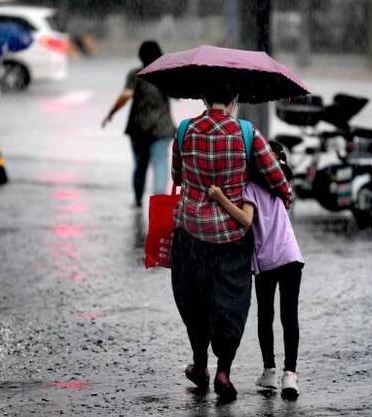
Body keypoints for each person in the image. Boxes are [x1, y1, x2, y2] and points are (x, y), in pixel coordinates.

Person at [170, 84, 292, 402]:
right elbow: (274, 175)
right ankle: (224, 369)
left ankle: (200, 364)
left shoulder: (184, 130)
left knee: (193, 300)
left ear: (203, 98)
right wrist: (286, 197)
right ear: (235, 100)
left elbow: (178, 175)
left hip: (191, 232)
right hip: (232, 236)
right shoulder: (247, 133)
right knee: (231, 301)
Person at [207, 142, 303, 400]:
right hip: (291, 256)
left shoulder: (250, 188)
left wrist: (219, 197)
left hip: (267, 260)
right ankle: (290, 376)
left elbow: (246, 218)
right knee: (289, 316)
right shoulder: (282, 187)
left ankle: (270, 371)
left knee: (266, 316)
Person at [102, 40, 174, 207]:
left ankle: (138, 199)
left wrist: (111, 113)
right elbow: (177, 94)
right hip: (162, 128)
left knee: (140, 166)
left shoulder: (136, 74)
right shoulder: (164, 75)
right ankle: (160, 203)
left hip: (138, 129)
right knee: (160, 165)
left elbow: (125, 96)